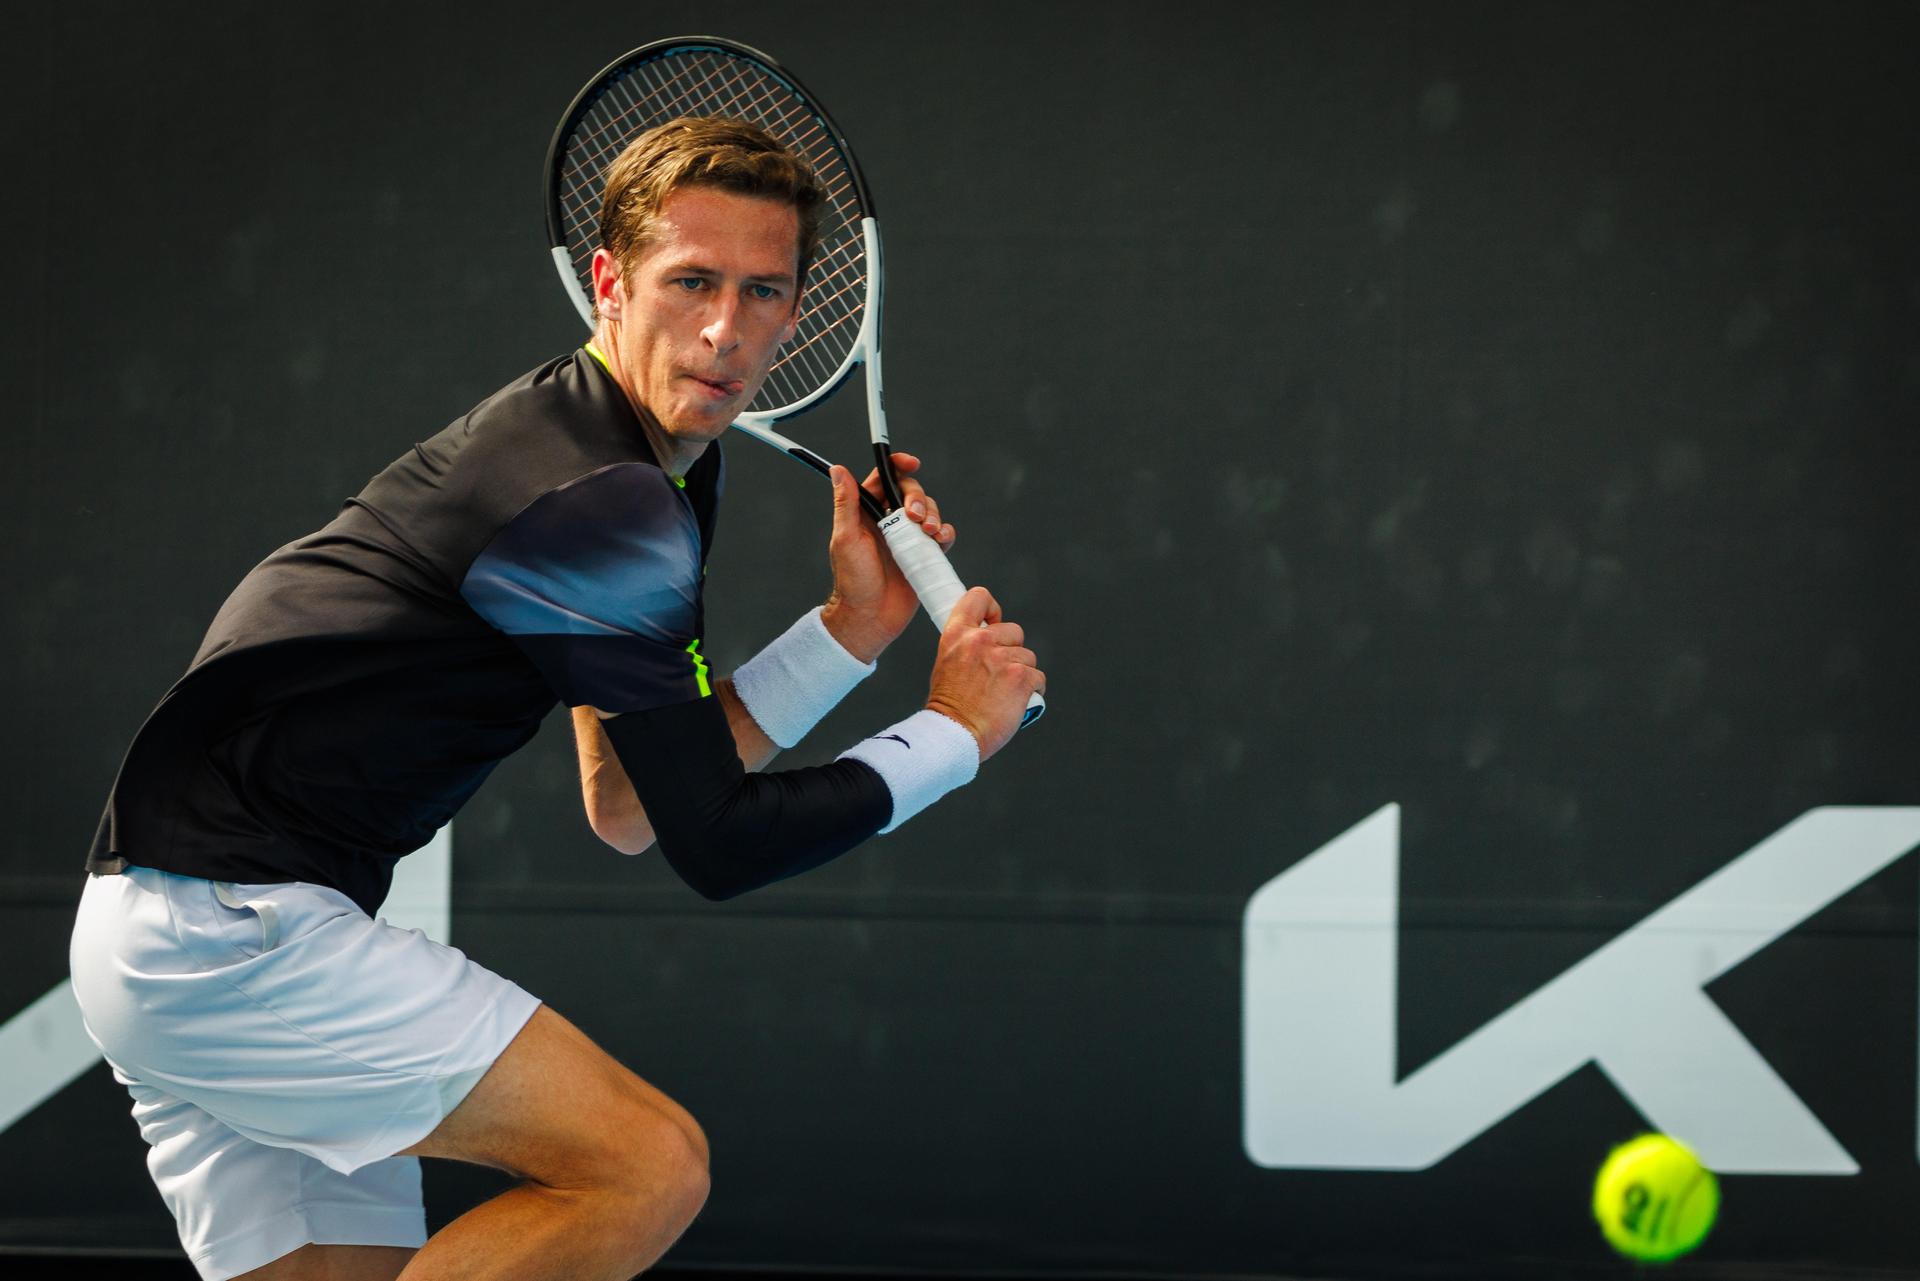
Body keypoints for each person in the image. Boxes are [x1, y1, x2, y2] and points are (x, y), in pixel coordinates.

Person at [68, 116, 1045, 1281]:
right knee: (646, 1165)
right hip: (235, 938)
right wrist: (953, 734)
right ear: (608, 283)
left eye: (762, 290)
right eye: (691, 282)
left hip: (182, 933)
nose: (725, 329)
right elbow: (719, 845)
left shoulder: (657, 466)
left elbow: (626, 799)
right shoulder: (604, 502)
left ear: (797, 310)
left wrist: (849, 632)